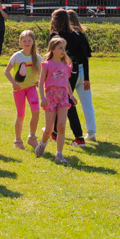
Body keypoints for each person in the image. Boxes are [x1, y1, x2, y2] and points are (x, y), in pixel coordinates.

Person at [35, 37, 78, 165]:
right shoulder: (47, 64)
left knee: (61, 126)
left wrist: (71, 95)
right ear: (52, 49)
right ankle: (42, 143)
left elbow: (66, 82)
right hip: (50, 96)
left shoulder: (66, 65)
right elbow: (41, 82)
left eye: (64, 48)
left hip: (63, 96)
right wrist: (42, 98)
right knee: (49, 128)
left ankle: (59, 154)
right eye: (60, 48)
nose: (63, 51)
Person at [49, 9, 88, 146]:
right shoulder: (76, 35)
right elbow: (84, 57)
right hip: (75, 70)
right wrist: (86, 77)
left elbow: (51, 57)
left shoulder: (55, 37)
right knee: (61, 101)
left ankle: (79, 137)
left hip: (60, 72)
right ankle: (54, 133)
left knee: (66, 103)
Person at [3, 29, 42, 150]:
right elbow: (7, 71)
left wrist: (38, 81)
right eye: (24, 40)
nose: (27, 42)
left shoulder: (37, 57)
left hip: (31, 89)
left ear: (33, 42)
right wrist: (14, 83)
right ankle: (18, 140)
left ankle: (32, 137)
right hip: (19, 90)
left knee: (36, 111)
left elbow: (42, 73)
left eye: (29, 40)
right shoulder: (17, 56)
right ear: (20, 42)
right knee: (21, 115)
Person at [67, 9, 97, 141]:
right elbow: (87, 57)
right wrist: (86, 78)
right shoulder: (82, 36)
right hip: (82, 70)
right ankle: (91, 132)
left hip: (71, 71)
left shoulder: (68, 36)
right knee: (87, 103)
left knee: (64, 100)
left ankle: (54, 129)